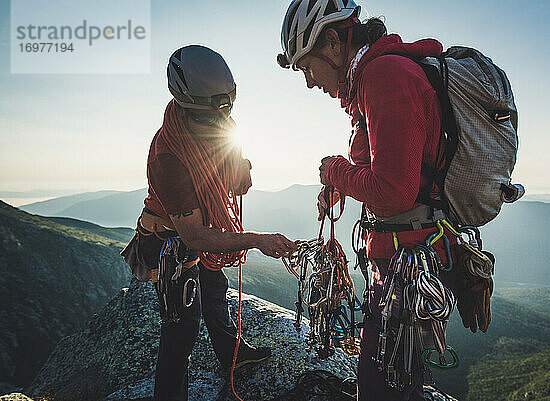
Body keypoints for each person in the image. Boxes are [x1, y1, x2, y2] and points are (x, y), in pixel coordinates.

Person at [277, 1, 459, 400]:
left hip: (408, 266)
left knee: (383, 388)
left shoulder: (384, 75)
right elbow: (398, 171)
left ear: (331, 41)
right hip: (407, 260)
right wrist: (343, 184)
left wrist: (334, 171)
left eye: (307, 67)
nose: (309, 82)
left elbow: (393, 193)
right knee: (386, 380)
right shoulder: (371, 78)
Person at [131, 45, 297, 401]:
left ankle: (232, 356)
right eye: (210, 115)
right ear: (187, 104)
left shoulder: (220, 124)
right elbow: (194, 236)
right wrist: (256, 239)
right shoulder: (167, 156)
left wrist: (241, 165)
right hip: (170, 239)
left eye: (224, 112)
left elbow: (238, 181)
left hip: (198, 230)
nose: (219, 120)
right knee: (181, 328)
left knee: (215, 291)